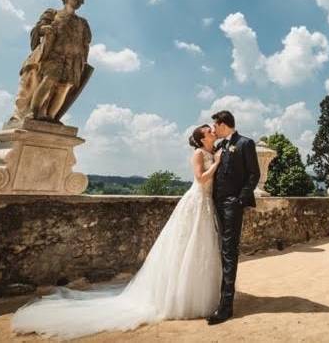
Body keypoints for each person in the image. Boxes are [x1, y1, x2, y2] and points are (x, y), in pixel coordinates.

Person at [11, 124, 222, 340]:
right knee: (185, 248)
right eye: (208, 130)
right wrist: (216, 164)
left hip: (206, 203)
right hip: (196, 202)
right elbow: (201, 178)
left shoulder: (213, 151)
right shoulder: (199, 153)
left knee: (199, 250)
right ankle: (178, 298)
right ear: (201, 137)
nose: (212, 131)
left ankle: (193, 294)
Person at [206, 110, 260, 325]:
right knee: (219, 250)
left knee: (229, 252)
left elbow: (254, 174)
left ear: (223, 124)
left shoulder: (246, 143)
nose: (213, 130)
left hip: (231, 205)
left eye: (215, 126)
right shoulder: (218, 146)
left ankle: (225, 307)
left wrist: (239, 200)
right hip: (215, 204)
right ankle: (218, 298)